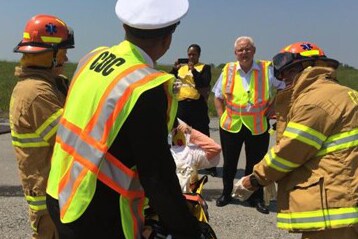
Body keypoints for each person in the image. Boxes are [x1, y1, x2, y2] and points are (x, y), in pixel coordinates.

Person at [45, 1, 212, 238]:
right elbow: (157, 176)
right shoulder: (146, 87)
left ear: (125, 26)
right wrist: (187, 229)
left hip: (59, 192)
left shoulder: (92, 57)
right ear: (167, 39)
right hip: (99, 213)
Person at [235, 42, 358, 239]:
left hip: (336, 207)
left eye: (289, 71)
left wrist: (255, 179)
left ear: (310, 66)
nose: (285, 80)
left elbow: (290, 150)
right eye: (281, 75)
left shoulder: (315, 101)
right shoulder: (344, 93)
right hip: (347, 198)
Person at [9, 14, 74, 239]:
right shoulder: (35, 93)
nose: (66, 58)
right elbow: (70, 139)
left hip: (54, 193)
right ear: (51, 54)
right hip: (48, 197)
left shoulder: (48, 84)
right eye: (63, 52)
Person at [212, 36, 285, 214]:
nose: (244, 53)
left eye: (247, 49)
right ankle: (227, 193)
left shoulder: (267, 69)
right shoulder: (228, 69)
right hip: (231, 125)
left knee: (256, 163)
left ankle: (256, 197)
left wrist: (273, 106)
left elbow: (284, 87)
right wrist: (222, 117)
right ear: (235, 53)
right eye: (240, 50)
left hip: (258, 125)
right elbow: (217, 96)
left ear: (253, 50)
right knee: (230, 162)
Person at [171, 44, 217, 177]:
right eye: (189, 54)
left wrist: (193, 70)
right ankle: (180, 160)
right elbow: (171, 80)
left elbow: (203, 82)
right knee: (179, 132)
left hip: (197, 105)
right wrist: (174, 70)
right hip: (182, 104)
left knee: (202, 132)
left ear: (198, 55)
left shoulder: (204, 68)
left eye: (194, 54)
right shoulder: (181, 68)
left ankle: (210, 165)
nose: (191, 57)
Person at [171, 119, 221, 193]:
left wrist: (190, 131)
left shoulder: (190, 152)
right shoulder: (189, 152)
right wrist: (190, 131)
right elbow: (215, 148)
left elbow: (216, 148)